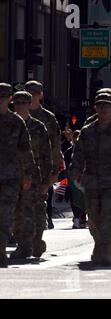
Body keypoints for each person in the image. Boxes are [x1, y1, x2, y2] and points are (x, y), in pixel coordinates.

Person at [69, 93, 111, 266]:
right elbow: (78, 155)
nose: (104, 109)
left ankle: (106, 249)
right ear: (96, 108)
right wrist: (75, 172)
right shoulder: (87, 131)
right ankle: (100, 244)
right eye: (100, 105)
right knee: (93, 217)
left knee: (109, 215)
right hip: (92, 182)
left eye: (107, 106)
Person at [10, 91, 52, 259]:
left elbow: (46, 155)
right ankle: (24, 243)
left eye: (23, 102)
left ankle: (30, 243)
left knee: (31, 211)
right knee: (15, 212)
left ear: (29, 104)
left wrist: (46, 180)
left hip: (33, 177)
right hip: (11, 176)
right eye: (17, 103)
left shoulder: (38, 127)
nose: (20, 106)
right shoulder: (8, 124)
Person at [0, 84, 35, 268]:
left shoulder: (16, 122)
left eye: (4, 97)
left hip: (10, 177)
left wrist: (28, 173)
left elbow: (25, 149)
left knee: (6, 216)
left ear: (9, 99)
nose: (1, 100)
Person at [25, 81, 62, 230]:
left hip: (41, 166)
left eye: (34, 93)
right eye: (29, 93)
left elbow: (55, 144)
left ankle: (40, 226)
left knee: (40, 199)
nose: (32, 96)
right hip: (20, 166)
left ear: (40, 95)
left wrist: (54, 170)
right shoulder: (17, 115)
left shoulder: (48, 118)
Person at [63, 129, 87, 229]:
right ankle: (77, 219)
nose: (77, 140)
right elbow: (66, 164)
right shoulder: (69, 151)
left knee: (85, 199)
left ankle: (83, 218)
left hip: (85, 179)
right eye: (75, 137)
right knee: (75, 200)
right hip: (73, 180)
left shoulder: (88, 150)